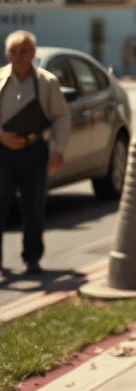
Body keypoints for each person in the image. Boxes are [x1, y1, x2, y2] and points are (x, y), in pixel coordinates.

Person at [0, 30, 70, 275]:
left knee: (33, 207)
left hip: (34, 151)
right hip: (3, 151)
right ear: (7, 53)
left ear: (32, 53)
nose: (18, 56)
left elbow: (61, 116)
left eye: (23, 51)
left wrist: (58, 150)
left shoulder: (46, 81)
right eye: (13, 51)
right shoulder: (0, 79)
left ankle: (32, 258)